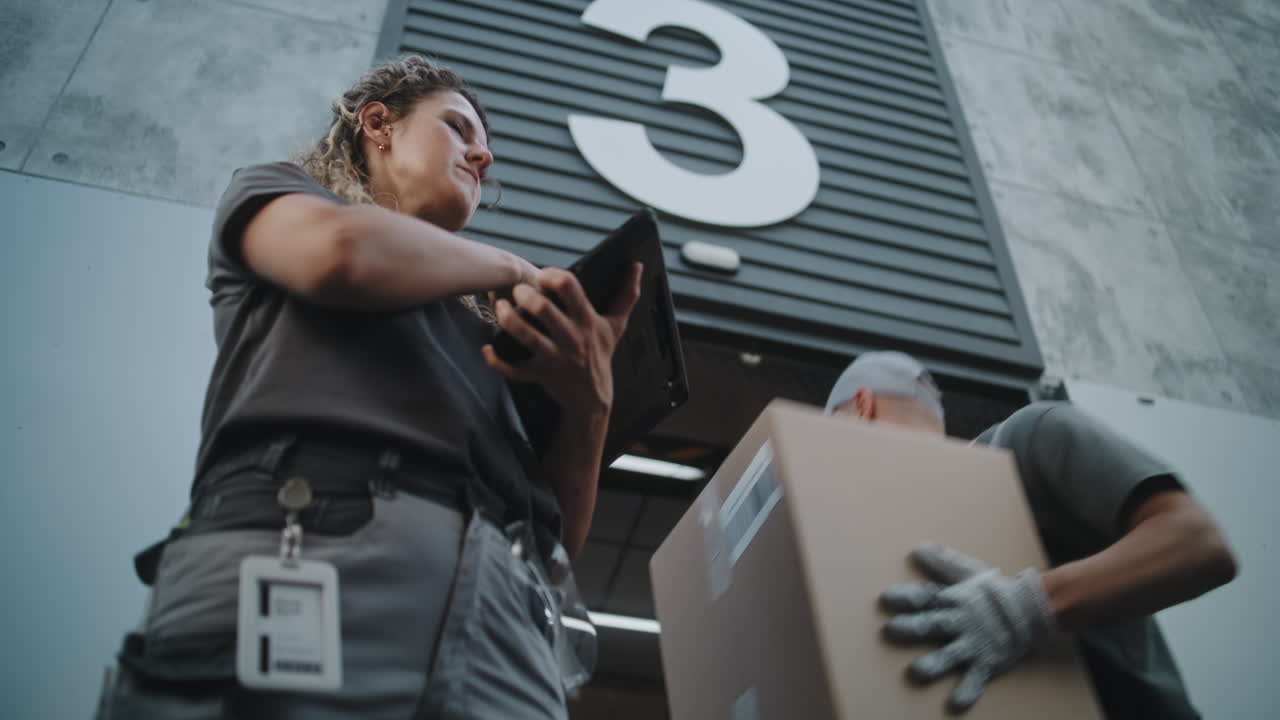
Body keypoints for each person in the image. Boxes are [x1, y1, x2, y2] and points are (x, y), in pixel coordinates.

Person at [97, 55, 641, 719]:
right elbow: (340, 256)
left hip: (509, 639)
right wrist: (514, 268)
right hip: (316, 553)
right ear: (378, 125)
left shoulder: (485, 340)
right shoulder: (279, 193)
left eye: (486, 146)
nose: (483, 156)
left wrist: (592, 400)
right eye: (459, 128)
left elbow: (555, 542)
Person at [824, 351, 1238, 718]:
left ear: (863, 406)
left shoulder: (1028, 437)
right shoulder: (902, 545)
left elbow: (1199, 543)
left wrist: (1027, 607)